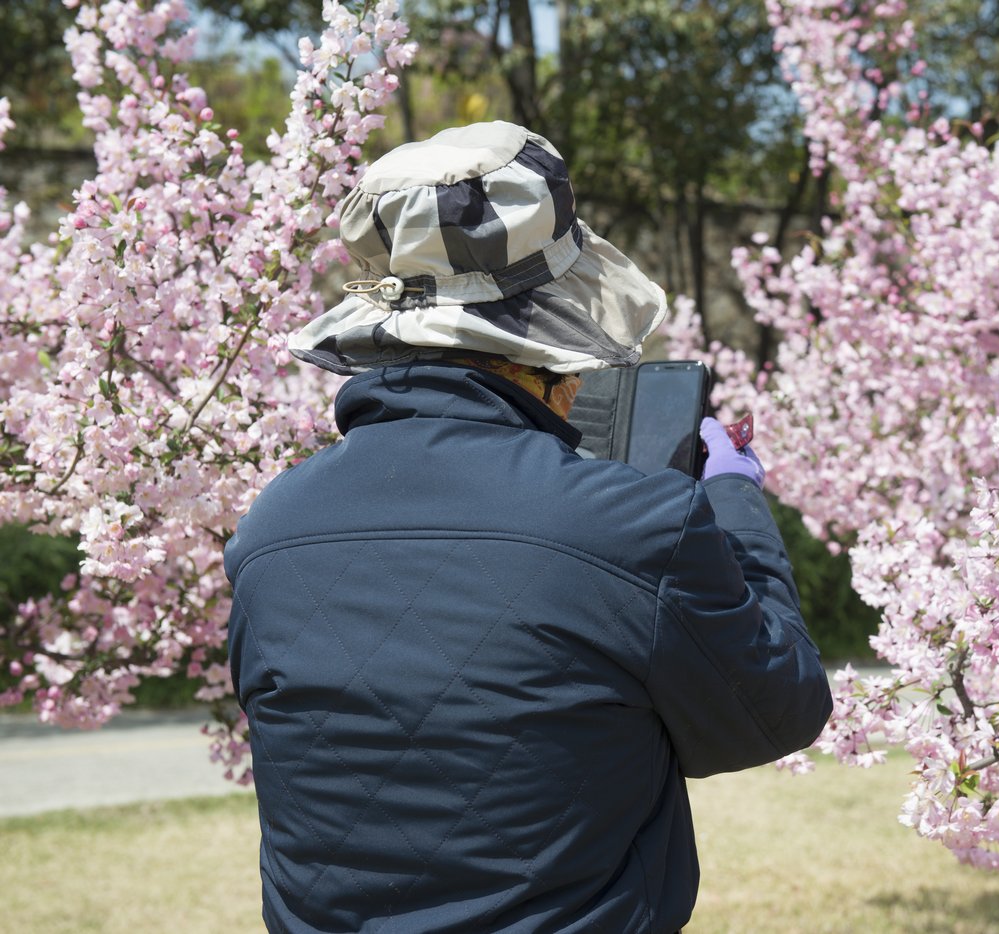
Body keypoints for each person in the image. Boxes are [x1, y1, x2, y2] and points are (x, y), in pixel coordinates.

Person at [224, 121, 833, 934]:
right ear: (549, 340)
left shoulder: (269, 528)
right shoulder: (633, 526)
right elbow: (776, 708)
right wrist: (731, 497)